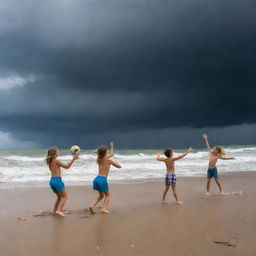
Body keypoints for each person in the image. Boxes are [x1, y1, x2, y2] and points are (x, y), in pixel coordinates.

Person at [45, 146, 79, 216]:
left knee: (59, 197)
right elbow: (67, 166)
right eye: (57, 151)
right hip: (57, 180)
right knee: (65, 196)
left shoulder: (50, 161)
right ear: (54, 153)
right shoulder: (56, 161)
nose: (58, 152)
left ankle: (55, 210)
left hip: (52, 181)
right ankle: (59, 210)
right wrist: (73, 159)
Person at [89, 142, 121, 214]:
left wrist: (111, 147)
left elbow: (112, 154)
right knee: (108, 195)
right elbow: (119, 166)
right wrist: (117, 163)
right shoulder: (108, 160)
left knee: (100, 196)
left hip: (96, 179)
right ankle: (103, 208)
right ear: (106, 152)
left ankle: (92, 205)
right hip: (102, 180)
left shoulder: (99, 159)